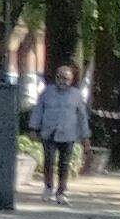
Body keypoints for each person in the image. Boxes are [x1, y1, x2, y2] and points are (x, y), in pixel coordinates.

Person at [34, 61, 90, 200]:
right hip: (49, 132)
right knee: (49, 161)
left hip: (68, 134)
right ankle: (48, 188)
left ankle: (61, 191)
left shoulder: (76, 95)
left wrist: (85, 137)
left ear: (71, 80)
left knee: (64, 164)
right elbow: (38, 110)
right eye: (59, 77)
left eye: (66, 79)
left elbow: (82, 117)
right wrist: (34, 128)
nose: (62, 81)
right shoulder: (47, 92)